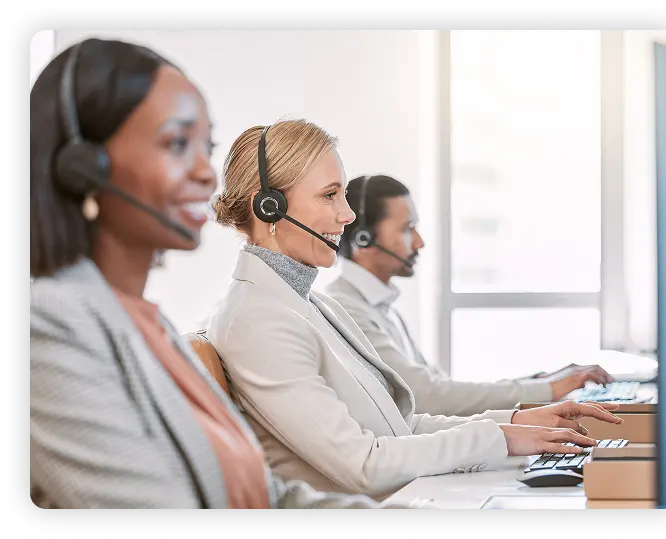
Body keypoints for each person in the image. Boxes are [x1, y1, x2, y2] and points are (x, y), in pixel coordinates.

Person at [29, 38, 392, 509]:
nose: (205, 173)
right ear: (84, 169)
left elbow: (267, 498)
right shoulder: (48, 328)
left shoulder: (150, 327)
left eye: (206, 147)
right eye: (177, 143)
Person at [207, 119, 624, 500]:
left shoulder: (312, 303)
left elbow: (399, 425)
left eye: (345, 195)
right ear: (269, 207)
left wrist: (517, 425)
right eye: (329, 195)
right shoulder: (257, 320)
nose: (348, 215)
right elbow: (364, 465)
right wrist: (504, 438)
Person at [326, 175, 615, 417]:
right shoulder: (348, 309)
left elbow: (440, 385)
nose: (420, 242)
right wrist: (548, 390)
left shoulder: (378, 305)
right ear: (363, 238)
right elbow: (426, 397)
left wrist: (539, 382)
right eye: (407, 229)